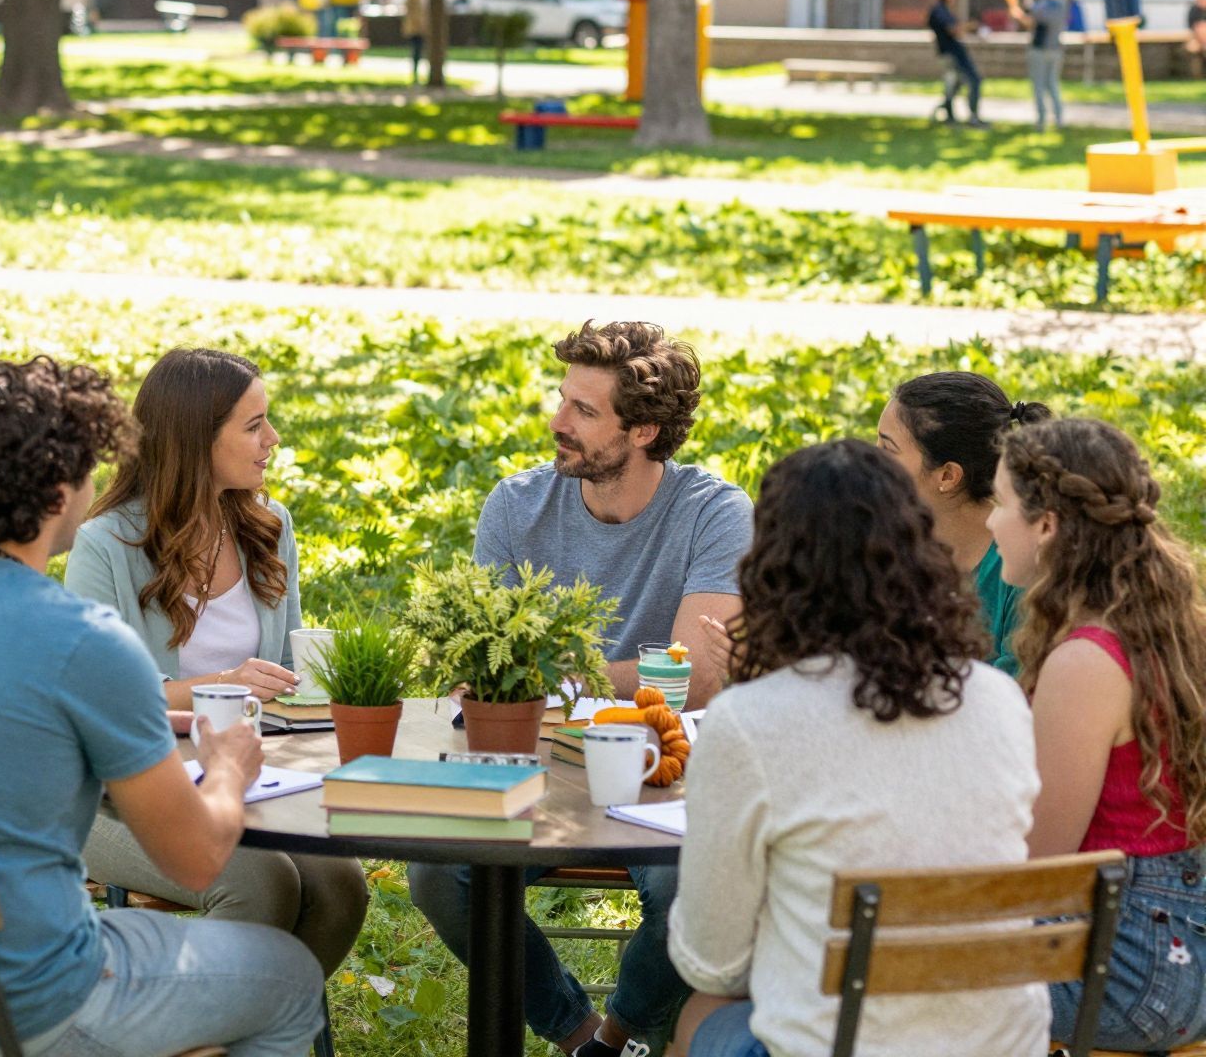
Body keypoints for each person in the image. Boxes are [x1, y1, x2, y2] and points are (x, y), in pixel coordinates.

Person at [0, 356, 324, 1057]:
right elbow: (200, 860)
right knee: (292, 979)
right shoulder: (84, 643)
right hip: (28, 1008)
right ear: (61, 492)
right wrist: (230, 767)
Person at [410, 320, 751, 1057]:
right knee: (438, 872)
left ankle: (621, 1037)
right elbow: (481, 668)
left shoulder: (715, 513)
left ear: (645, 429)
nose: (557, 422)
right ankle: (577, 1034)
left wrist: (546, 674)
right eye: (563, 399)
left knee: (686, 891)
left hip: (661, 774)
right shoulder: (516, 504)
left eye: (584, 411)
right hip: (533, 764)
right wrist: (614, 678)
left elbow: (700, 669)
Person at [668, 440, 1047, 1057]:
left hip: (839, 1045)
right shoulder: (998, 699)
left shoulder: (749, 720)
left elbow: (710, 963)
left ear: (772, 565)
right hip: (1000, 1043)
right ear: (922, 552)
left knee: (698, 1016)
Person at [65, 348, 370, 975]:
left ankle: (249, 1038)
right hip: (118, 795)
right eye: (253, 425)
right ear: (194, 439)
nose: (273, 439)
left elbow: (285, 669)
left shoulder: (268, 525)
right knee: (263, 885)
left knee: (341, 886)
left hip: (255, 780)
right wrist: (222, 686)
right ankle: (184, 1031)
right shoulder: (107, 545)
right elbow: (94, 701)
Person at [989, 418, 1206, 1053]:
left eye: (1001, 504)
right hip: (1178, 954)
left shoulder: (1086, 661)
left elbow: (1040, 866)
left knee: (890, 974)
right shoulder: (1170, 629)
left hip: (1129, 973)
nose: (990, 523)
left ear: (1047, 525)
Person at [873, 372, 1050, 675]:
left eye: (887, 450)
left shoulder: (1024, 569)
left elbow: (1015, 692)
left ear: (947, 476)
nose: (869, 459)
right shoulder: (880, 544)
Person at [1014, 0, 1070, 132]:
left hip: (1039, 50)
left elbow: (1030, 19)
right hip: (1056, 50)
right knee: (1053, 84)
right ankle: (1059, 120)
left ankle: (1041, 121)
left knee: (1039, 86)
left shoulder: (1045, 5)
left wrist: (1019, 9)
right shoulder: (1064, 3)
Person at [926, 0, 984, 126]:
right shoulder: (939, 11)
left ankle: (947, 112)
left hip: (954, 52)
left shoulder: (945, 10)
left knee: (954, 85)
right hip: (951, 53)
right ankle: (971, 117)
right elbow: (952, 30)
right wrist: (970, 25)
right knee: (973, 80)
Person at [1185, 0, 1206, 80]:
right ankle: (1197, 76)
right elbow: (1195, 27)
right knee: (1192, 47)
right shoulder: (1195, 11)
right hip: (1197, 38)